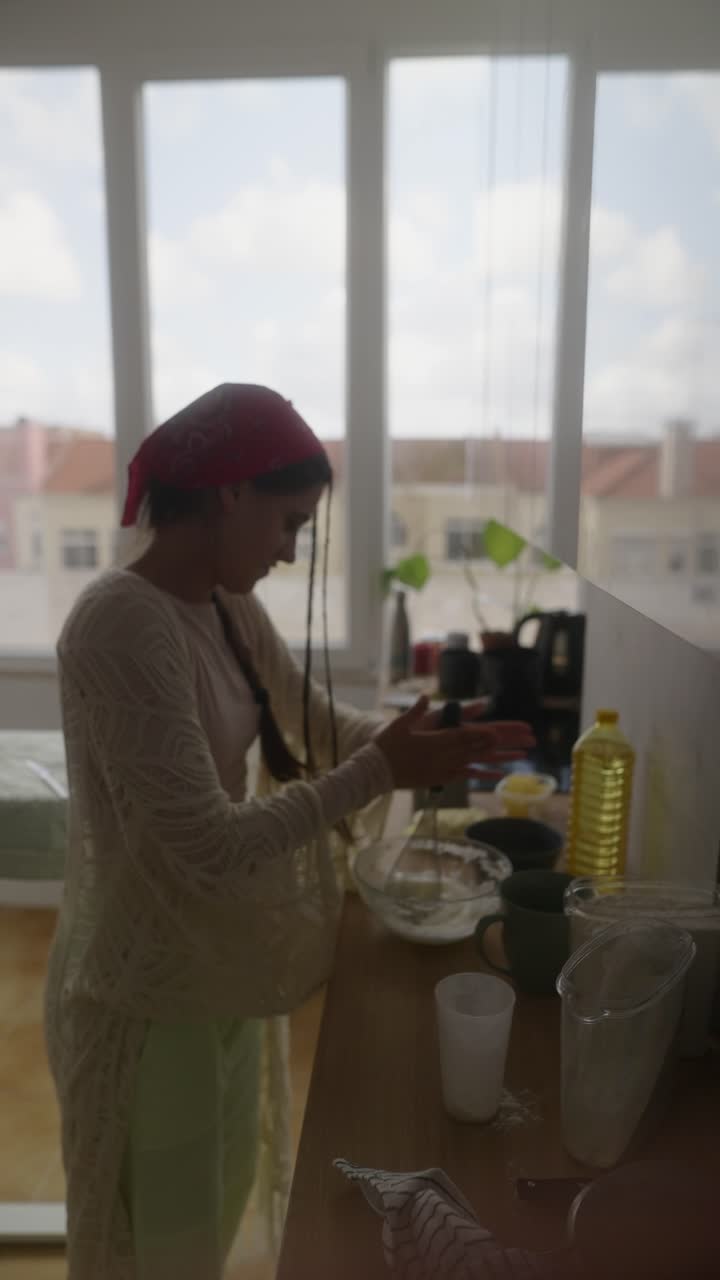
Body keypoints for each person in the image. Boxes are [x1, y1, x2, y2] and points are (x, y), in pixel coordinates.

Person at [44, 383, 533, 1280]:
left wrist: (414, 743)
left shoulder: (224, 605)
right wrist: (383, 768)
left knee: (209, 1219)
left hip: (212, 966)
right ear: (228, 492)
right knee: (161, 1247)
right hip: (150, 996)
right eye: (289, 523)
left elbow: (311, 725)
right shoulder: (119, 624)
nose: (288, 551)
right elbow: (208, 843)